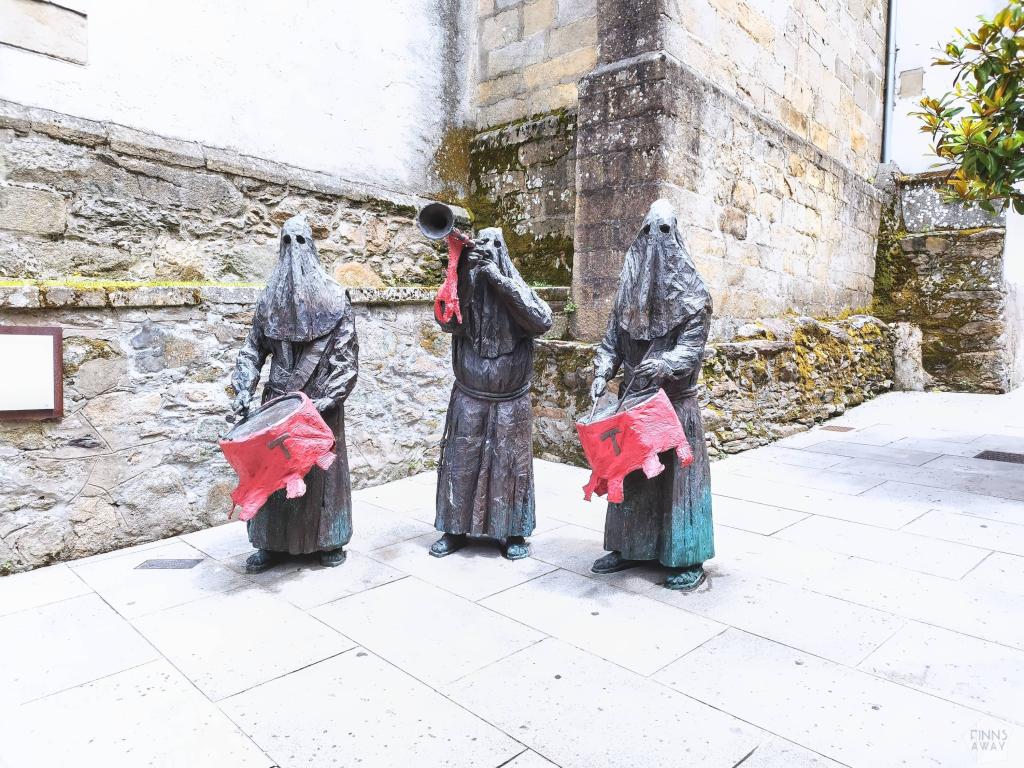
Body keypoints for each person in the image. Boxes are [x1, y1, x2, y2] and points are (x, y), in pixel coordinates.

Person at [589, 199, 714, 590]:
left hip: (674, 406)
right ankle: (628, 547)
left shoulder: (696, 297)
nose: (655, 242)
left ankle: (686, 556)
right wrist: (601, 370)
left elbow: (690, 349)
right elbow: (611, 343)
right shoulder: (627, 295)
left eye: (664, 232)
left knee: (678, 483)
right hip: (634, 405)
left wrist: (665, 364)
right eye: (648, 232)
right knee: (632, 477)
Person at [229, 214, 358, 573]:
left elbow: (346, 361)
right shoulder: (268, 300)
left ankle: (329, 539)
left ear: (312, 246)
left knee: (321, 476)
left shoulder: (336, 299)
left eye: (301, 241)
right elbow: (252, 350)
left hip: (319, 405)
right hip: (276, 404)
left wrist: (323, 401)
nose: (294, 249)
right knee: (271, 473)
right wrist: (243, 389)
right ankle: (270, 543)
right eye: (287, 241)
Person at [432, 227, 552, 560]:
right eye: (482, 245)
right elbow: (447, 320)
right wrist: (464, 275)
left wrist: (498, 279)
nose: (487, 251)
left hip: (511, 401)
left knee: (510, 468)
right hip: (469, 396)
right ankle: (453, 528)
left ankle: (512, 531)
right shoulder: (463, 286)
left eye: (494, 246)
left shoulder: (516, 285)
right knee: (461, 463)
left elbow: (541, 320)